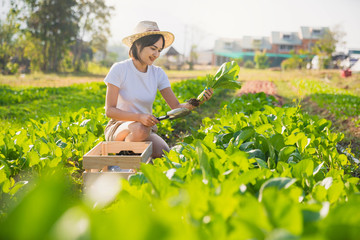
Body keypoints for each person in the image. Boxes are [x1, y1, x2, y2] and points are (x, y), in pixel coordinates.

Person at [103, 21, 213, 160]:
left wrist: (198, 101)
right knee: (140, 130)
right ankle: (127, 158)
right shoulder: (119, 69)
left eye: (159, 50)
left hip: (144, 128)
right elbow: (110, 111)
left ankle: (132, 153)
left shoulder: (158, 73)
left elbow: (176, 107)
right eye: (152, 48)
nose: (156, 54)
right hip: (120, 127)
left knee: (164, 152)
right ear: (138, 45)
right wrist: (139, 117)